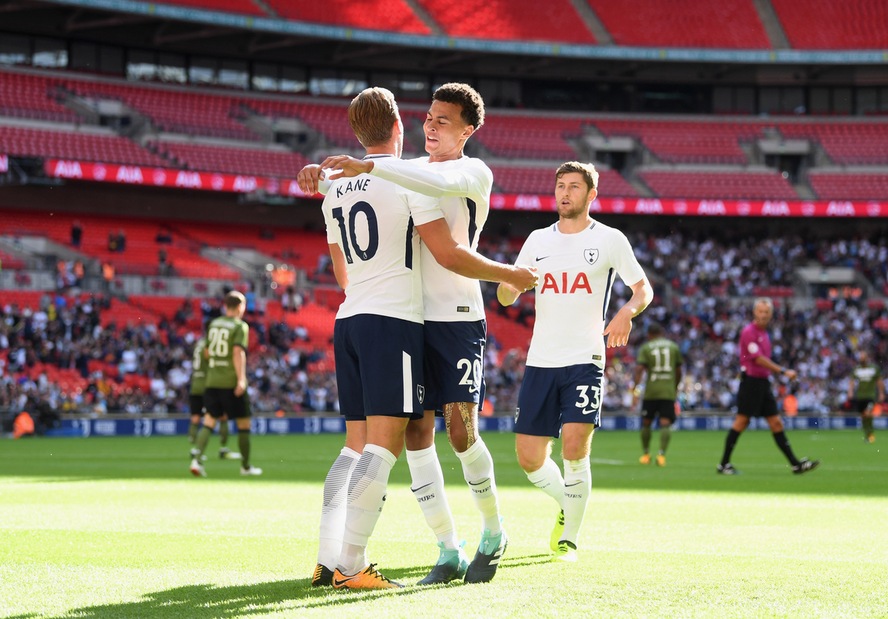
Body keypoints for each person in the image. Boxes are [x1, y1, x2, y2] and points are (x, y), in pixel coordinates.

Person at [305, 87, 536, 590]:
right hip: (411, 321)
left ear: (468, 131)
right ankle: (447, 547)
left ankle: (494, 533)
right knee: (414, 435)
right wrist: (323, 176)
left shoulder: (473, 172)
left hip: (456, 316)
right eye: (428, 118)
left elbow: (434, 194)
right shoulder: (407, 169)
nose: (432, 127)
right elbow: (382, 181)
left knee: (460, 431)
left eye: (445, 121)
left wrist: (509, 275)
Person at [497, 161, 653, 562]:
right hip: (541, 360)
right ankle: (569, 502)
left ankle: (571, 539)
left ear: (591, 195)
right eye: (560, 186)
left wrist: (625, 313)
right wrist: (514, 285)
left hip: (585, 358)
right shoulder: (536, 240)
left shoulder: (610, 239)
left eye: (573, 187)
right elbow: (502, 296)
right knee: (529, 458)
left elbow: (643, 289)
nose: (564, 193)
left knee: (573, 450)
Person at [717, 297, 819, 475]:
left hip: (762, 383)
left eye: (766, 312)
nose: (763, 315)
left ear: (771, 315)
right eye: (760, 311)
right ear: (755, 312)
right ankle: (724, 464)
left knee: (776, 422)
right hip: (751, 382)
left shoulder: (764, 334)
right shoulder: (749, 332)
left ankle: (795, 464)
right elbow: (758, 359)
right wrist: (783, 371)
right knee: (742, 421)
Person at [189, 291, 261, 477]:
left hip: (212, 381)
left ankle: (197, 461)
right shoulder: (240, 326)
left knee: (209, 421)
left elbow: (206, 352)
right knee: (244, 423)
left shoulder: (213, 324)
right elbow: (238, 352)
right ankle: (245, 467)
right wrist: (241, 379)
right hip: (230, 381)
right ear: (239, 306)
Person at [632, 323, 682, 467]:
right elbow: (679, 371)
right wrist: (675, 387)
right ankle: (661, 455)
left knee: (646, 422)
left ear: (649, 335)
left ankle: (646, 454)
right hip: (667, 391)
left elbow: (639, 369)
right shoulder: (673, 347)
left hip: (651, 391)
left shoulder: (646, 347)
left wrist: (635, 390)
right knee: (665, 423)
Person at [187, 335, 238, 461]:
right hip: (208, 384)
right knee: (222, 416)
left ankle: (195, 450)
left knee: (195, 418)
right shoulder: (210, 344)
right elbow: (212, 361)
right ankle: (223, 449)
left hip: (195, 385)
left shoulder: (198, 344)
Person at [846, 350, 884, 443]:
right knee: (863, 416)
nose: (861, 359)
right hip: (860, 396)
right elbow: (852, 381)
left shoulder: (874, 368)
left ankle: (870, 434)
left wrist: (881, 393)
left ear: (867, 358)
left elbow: (879, 381)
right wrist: (850, 392)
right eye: (860, 357)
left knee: (868, 413)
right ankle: (867, 434)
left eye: (863, 357)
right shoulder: (856, 369)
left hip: (870, 395)